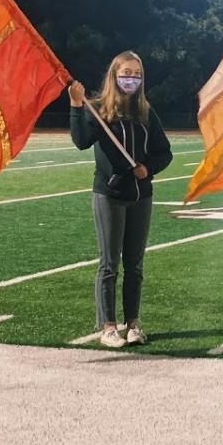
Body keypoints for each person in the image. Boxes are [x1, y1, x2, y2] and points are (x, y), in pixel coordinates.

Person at [68, 51, 173, 348]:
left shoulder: (145, 112)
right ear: (114, 75)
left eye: (137, 75)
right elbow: (81, 142)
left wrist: (148, 168)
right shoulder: (98, 109)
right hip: (110, 196)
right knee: (109, 264)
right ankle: (108, 327)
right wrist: (77, 106)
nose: (132, 79)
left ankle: (134, 323)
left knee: (135, 266)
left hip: (141, 196)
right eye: (126, 73)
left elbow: (164, 153)